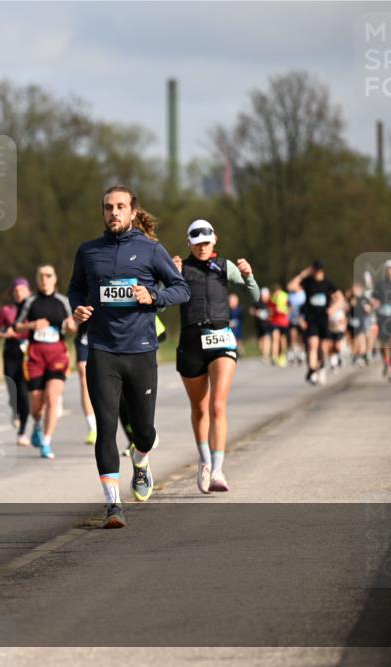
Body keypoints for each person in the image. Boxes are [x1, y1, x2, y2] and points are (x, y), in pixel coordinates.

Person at [68, 185, 190, 529]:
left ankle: (140, 460)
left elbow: (181, 288)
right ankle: (113, 506)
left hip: (141, 352)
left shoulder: (151, 250)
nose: (114, 213)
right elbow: (75, 287)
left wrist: (152, 295)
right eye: (108, 207)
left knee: (145, 432)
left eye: (120, 206)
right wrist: (77, 308)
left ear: (133, 211)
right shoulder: (89, 251)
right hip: (102, 351)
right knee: (106, 428)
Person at [171, 220, 260, 494]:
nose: (202, 248)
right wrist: (168, 276)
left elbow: (254, 297)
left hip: (221, 337)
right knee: (200, 408)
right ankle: (205, 461)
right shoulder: (181, 268)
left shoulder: (225, 267)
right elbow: (163, 301)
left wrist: (248, 276)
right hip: (191, 340)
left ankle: (219, 470)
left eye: (206, 243)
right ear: (189, 244)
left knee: (218, 406)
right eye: (196, 244)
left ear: (215, 241)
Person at [14, 264, 76, 460]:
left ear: (55, 278)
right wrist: (32, 325)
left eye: (49, 275)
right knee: (36, 404)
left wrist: (71, 324)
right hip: (35, 356)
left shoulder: (63, 302)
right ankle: (38, 424)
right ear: (37, 279)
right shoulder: (30, 302)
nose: (45, 279)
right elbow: (17, 327)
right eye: (41, 275)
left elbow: (73, 326)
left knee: (52, 398)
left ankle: (47, 442)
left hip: (57, 354)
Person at [0, 278, 33, 446]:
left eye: (22, 290)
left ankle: (22, 431)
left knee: (23, 393)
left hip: (29, 353)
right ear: (12, 293)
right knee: (13, 390)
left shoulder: (33, 309)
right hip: (11, 352)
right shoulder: (6, 310)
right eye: (15, 291)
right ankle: (14, 410)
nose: (18, 293)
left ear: (28, 292)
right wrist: (3, 334)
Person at [287, 260, 336, 386]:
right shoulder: (308, 282)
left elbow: (340, 298)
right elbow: (291, 287)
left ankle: (321, 366)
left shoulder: (328, 283)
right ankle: (313, 371)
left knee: (323, 347)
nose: (317, 273)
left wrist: (334, 308)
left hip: (323, 319)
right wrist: (303, 274)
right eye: (315, 270)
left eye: (319, 271)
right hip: (311, 318)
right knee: (312, 345)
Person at [269, 285, 290, 367]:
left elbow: (290, 308)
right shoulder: (272, 297)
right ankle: (274, 356)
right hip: (275, 321)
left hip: (283, 321)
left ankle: (283, 355)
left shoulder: (285, 296)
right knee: (275, 338)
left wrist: (283, 310)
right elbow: (269, 308)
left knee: (282, 339)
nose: (276, 294)